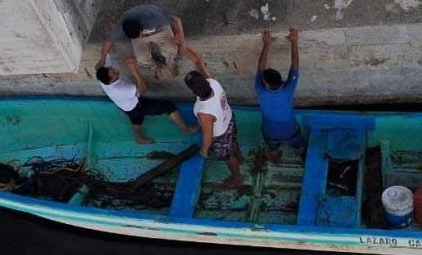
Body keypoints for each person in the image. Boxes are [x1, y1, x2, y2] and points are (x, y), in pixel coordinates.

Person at [181, 45, 244, 188]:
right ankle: (240, 157)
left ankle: (237, 177)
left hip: (220, 134)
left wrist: (204, 150)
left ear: (193, 91)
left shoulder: (203, 111)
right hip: (228, 118)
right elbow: (198, 61)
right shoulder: (213, 83)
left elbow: (208, 135)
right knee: (233, 141)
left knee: (227, 156)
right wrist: (183, 48)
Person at [96, 56, 197, 144]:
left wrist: (106, 50)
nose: (116, 70)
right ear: (110, 81)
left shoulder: (101, 76)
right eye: (113, 73)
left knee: (136, 119)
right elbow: (143, 89)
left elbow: (99, 65)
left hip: (125, 106)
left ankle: (138, 138)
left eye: (112, 69)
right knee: (168, 106)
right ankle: (185, 129)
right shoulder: (122, 89)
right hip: (136, 105)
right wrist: (134, 71)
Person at [96, 4, 186, 81]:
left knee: (171, 48)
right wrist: (102, 59)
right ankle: (155, 68)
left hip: (159, 29)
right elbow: (109, 41)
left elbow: (176, 20)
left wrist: (181, 39)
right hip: (140, 30)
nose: (139, 37)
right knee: (141, 58)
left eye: (138, 35)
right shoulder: (122, 25)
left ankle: (171, 63)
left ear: (140, 27)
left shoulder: (155, 18)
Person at [255, 27, 305, 161]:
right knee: (300, 147)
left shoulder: (260, 88)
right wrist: (294, 42)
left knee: (272, 148)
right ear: (281, 80)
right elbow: (295, 64)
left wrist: (266, 44)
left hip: (270, 133)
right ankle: (301, 156)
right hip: (290, 132)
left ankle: (275, 156)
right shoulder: (288, 88)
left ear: (265, 83)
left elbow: (260, 67)